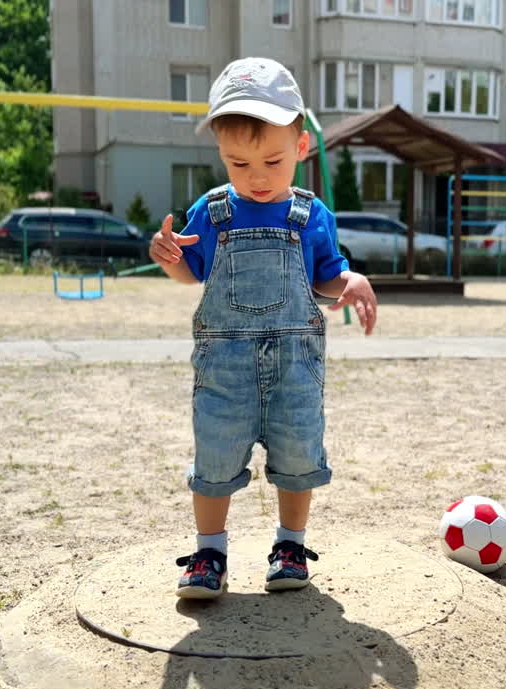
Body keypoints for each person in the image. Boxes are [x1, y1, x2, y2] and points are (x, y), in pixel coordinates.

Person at [151, 57, 378, 600]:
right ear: (221, 156)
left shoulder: (311, 215)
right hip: (224, 369)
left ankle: (290, 546)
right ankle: (209, 553)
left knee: (299, 457)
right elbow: (191, 272)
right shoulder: (213, 212)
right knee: (215, 457)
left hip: (294, 366)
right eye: (237, 163)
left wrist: (350, 280)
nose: (256, 177)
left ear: (300, 147)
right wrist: (168, 258)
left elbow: (324, 278)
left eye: (273, 160)